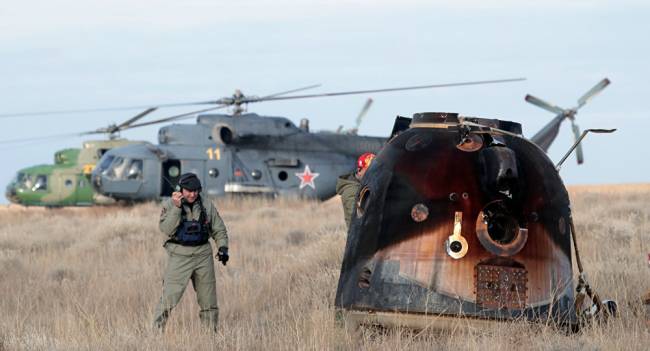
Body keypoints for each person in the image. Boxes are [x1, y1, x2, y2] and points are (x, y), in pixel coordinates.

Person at [152, 173, 229, 332]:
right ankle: (155, 334)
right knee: (169, 298)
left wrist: (223, 248)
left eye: (196, 190)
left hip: (203, 255)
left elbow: (219, 229)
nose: (193, 194)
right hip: (180, 256)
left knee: (209, 301)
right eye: (189, 190)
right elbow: (166, 229)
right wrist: (177, 208)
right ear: (181, 189)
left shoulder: (207, 204)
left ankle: (210, 337)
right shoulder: (170, 205)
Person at [335, 152, 375, 228]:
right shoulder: (351, 191)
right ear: (359, 171)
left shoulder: (365, 185)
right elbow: (357, 220)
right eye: (369, 171)